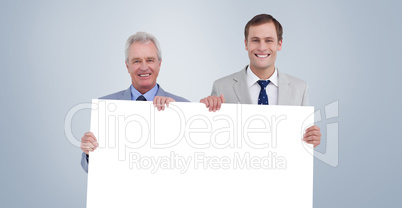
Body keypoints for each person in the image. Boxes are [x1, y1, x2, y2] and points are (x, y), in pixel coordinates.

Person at [200, 14, 321, 147]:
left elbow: (302, 141)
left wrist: (311, 140)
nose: (262, 47)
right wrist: (203, 112)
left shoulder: (300, 88)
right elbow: (208, 138)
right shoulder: (221, 87)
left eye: (269, 40)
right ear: (246, 44)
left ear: (279, 44)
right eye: (255, 40)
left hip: (281, 165)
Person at [80, 32, 189, 173]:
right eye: (137, 61)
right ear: (127, 66)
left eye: (150, 60)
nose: (144, 67)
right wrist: (89, 153)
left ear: (159, 64)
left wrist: (176, 115)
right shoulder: (105, 107)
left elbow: (191, 165)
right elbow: (90, 169)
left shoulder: (184, 107)